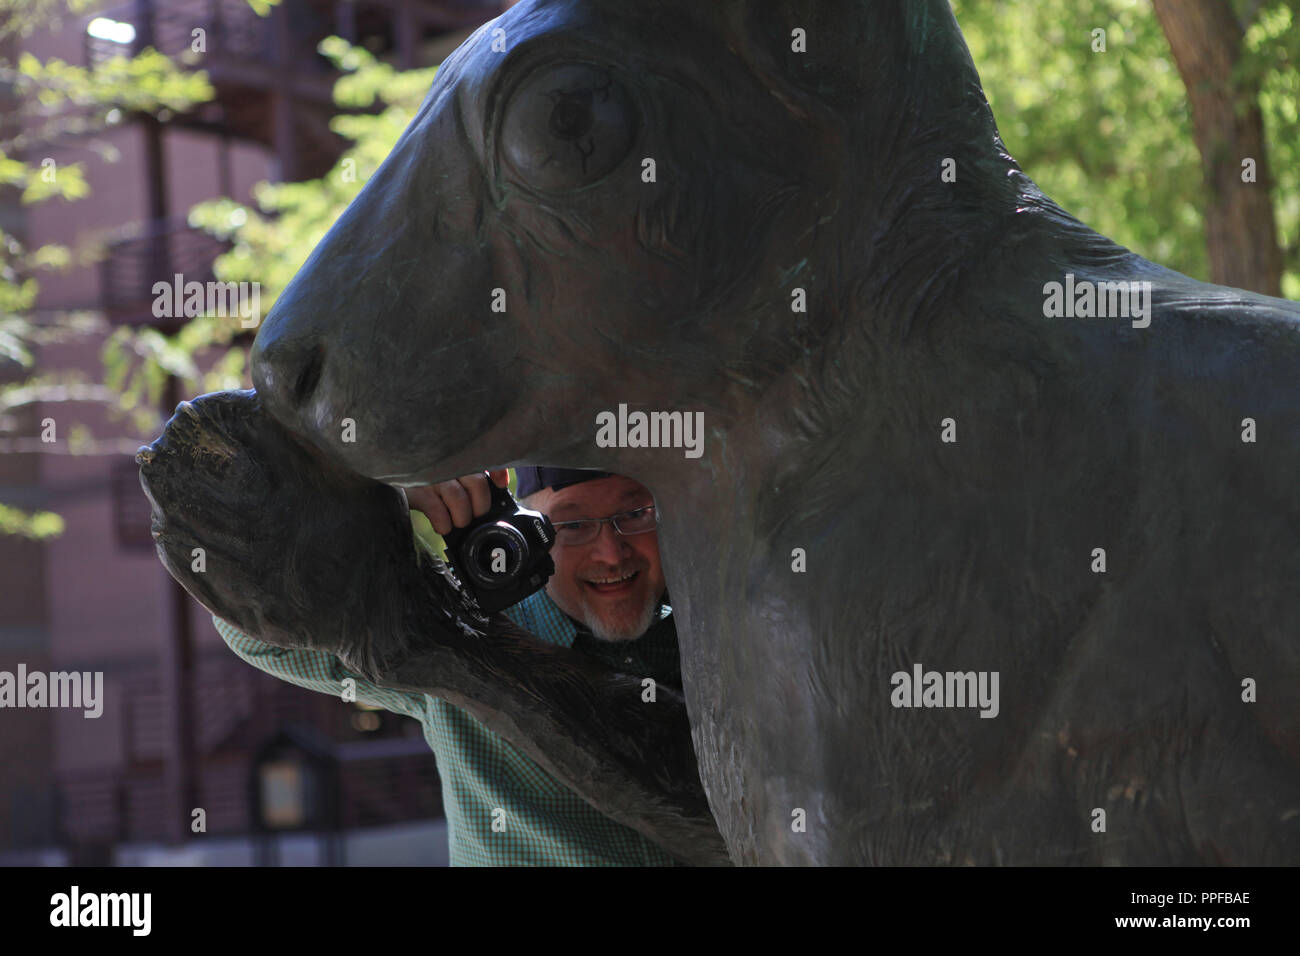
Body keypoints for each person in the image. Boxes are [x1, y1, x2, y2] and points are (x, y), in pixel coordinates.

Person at [212, 466, 685, 866]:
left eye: (635, 514)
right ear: (529, 529)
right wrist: (373, 501)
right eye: (574, 524)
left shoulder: (722, 635)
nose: (611, 553)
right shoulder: (461, 635)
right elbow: (254, 632)